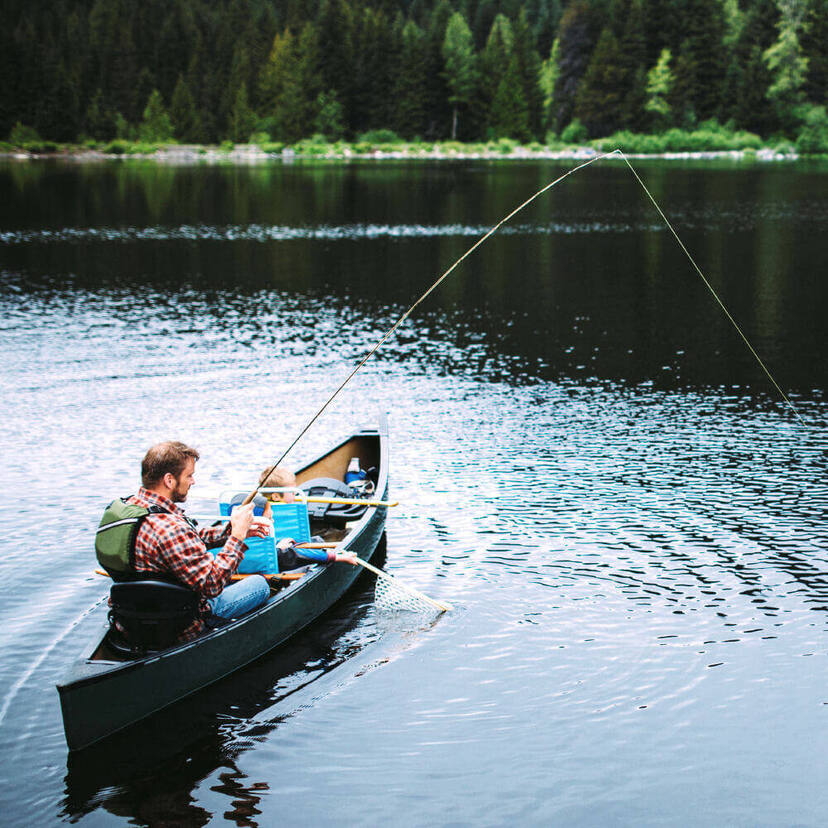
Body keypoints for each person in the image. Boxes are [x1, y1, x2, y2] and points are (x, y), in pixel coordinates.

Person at [123, 441, 271, 639]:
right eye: (189, 475)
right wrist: (237, 538)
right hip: (183, 622)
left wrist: (231, 532)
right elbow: (212, 585)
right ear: (169, 480)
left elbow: (185, 541)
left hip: (130, 615)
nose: (193, 481)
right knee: (259, 585)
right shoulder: (171, 529)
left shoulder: (132, 509)